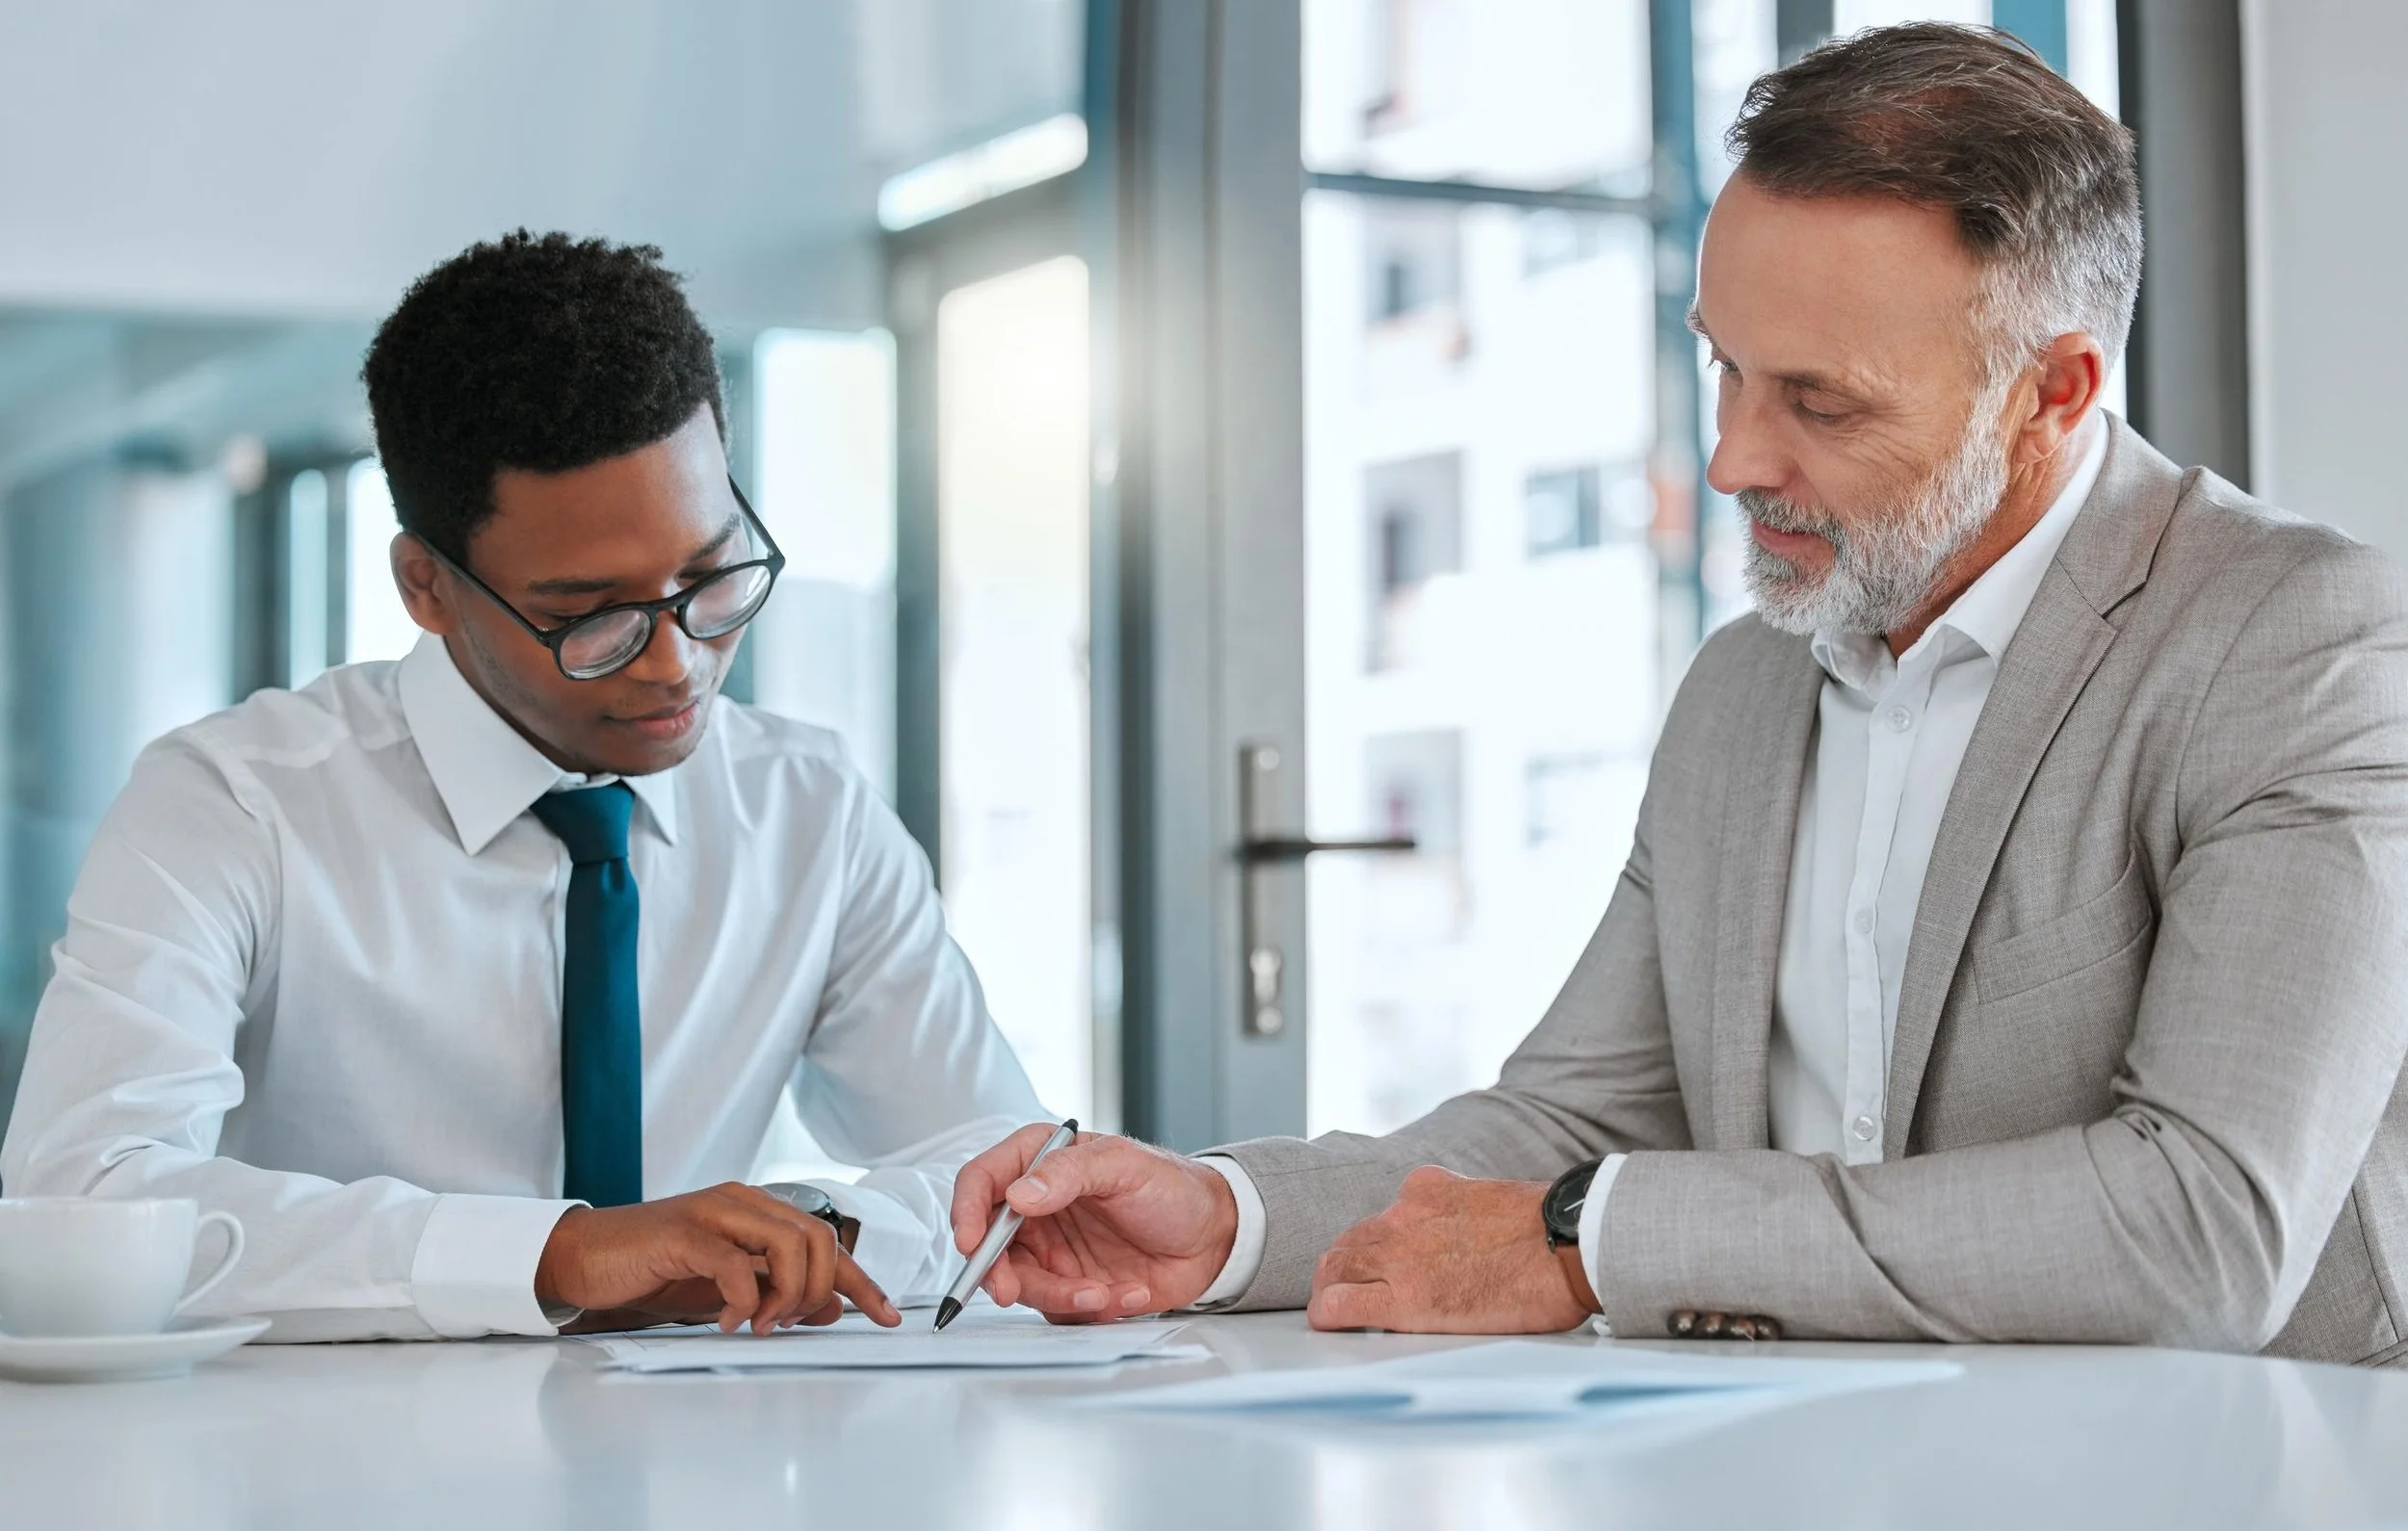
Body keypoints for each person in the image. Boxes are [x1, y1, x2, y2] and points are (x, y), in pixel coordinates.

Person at [949, 25, 2408, 1364]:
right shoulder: (1745, 682)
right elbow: (1573, 1120)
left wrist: (1598, 1242)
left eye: (1818, 402)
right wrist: (1228, 1213)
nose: (1731, 461)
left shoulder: (2296, 643)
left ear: (2055, 392)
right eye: (1725, 370)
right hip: (1825, 1456)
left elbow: (2205, 1223)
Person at [0, 232, 1047, 1341]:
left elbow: (1017, 1185)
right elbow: (83, 1201)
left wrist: (808, 1229)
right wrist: (559, 1255)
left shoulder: (809, 813)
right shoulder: (231, 806)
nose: (674, 660)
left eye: (709, 575)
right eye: (590, 614)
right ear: (426, 588)